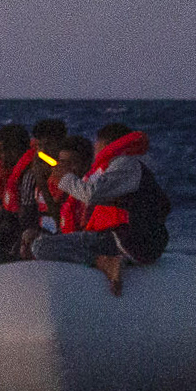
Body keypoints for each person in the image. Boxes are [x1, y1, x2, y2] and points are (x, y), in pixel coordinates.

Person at [29, 121, 171, 293]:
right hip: (131, 242)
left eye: (98, 145)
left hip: (128, 242)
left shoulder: (126, 164)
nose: (96, 151)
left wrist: (64, 178)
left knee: (41, 246)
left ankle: (104, 262)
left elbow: (90, 194)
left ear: (107, 144)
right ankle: (113, 260)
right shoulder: (119, 168)